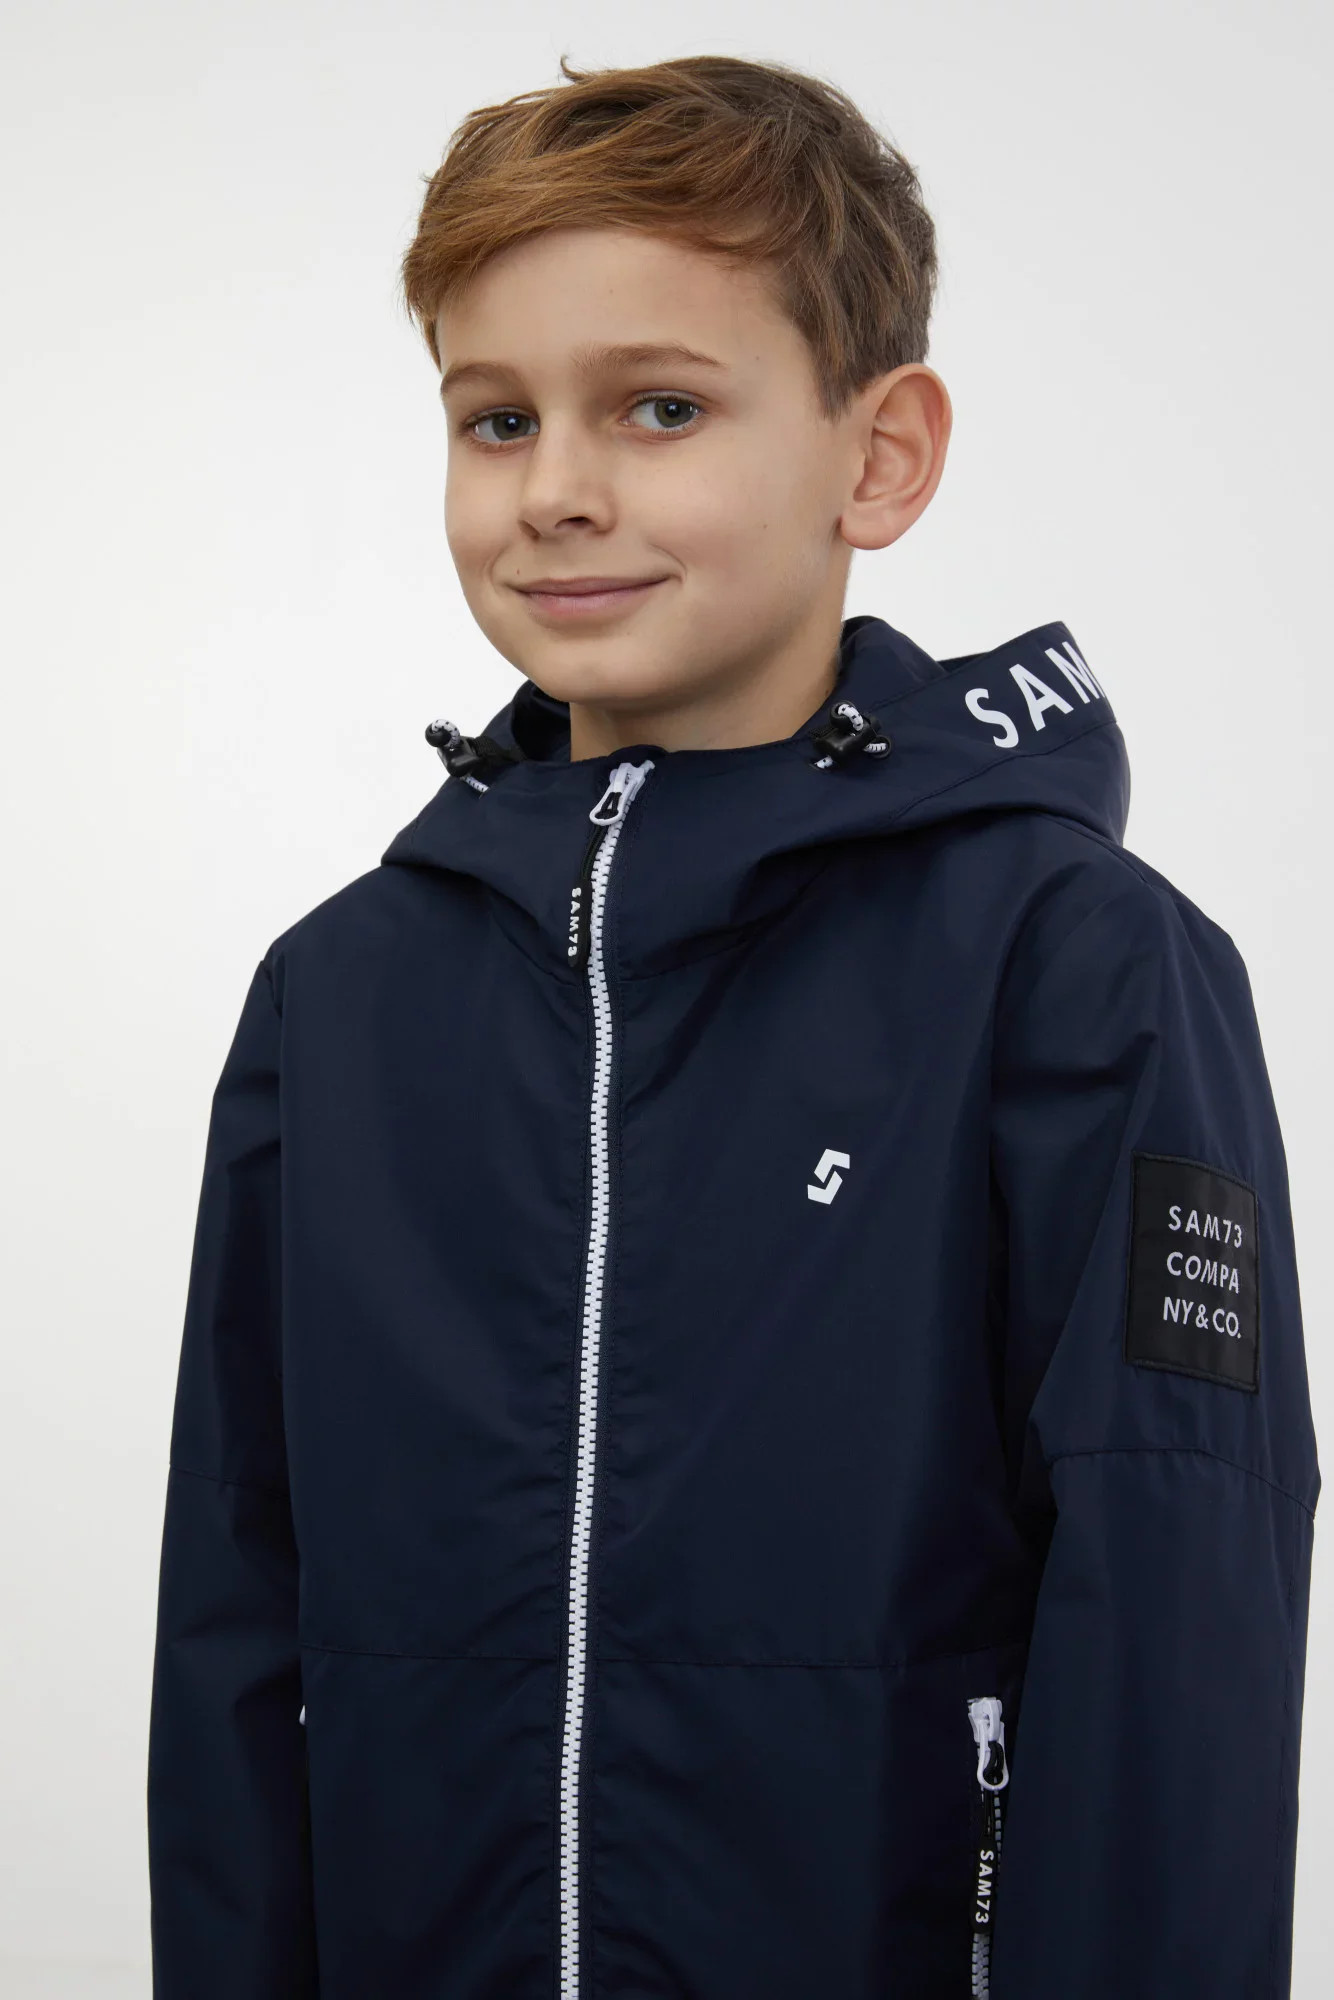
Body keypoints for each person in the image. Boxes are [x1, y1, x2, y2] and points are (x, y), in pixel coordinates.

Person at [146, 52, 1321, 2000]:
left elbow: (1177, 1616)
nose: (557, 488)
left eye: (660, 406)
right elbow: (232, 1620)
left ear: (880, 455)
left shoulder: (1076, 966)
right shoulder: (337, 999)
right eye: (496, 418)